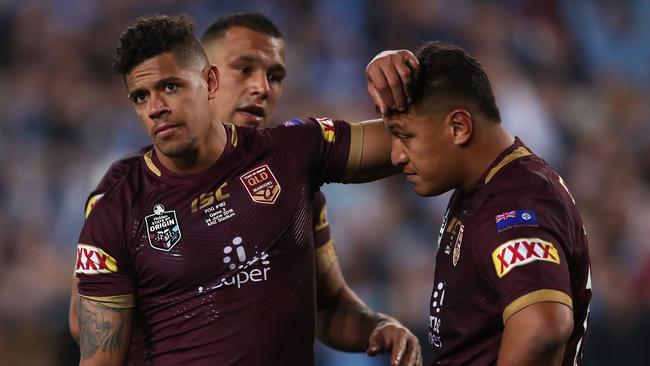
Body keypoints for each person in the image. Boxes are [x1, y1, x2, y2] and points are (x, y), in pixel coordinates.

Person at [74, 13, 420, 366]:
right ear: (215, 77)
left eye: (275, 76)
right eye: (244, 69)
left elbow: (327, 308)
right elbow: (88, 329)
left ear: (207, 81)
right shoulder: (119, 200)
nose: (261, 88)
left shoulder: (292, 165)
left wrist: (405, 71)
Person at [366, 42, 591, 365]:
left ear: (459, 127)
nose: (395, 156)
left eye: (405, 137)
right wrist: (381, 60)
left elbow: (542, 327)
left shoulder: (513, 205)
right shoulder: (489, 183)